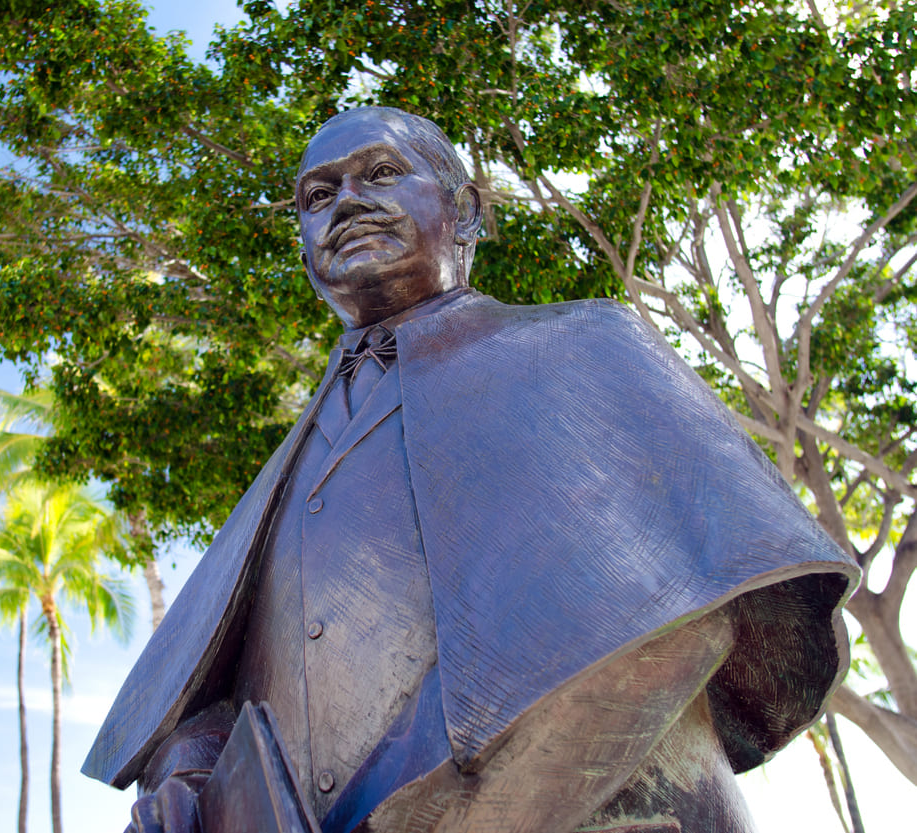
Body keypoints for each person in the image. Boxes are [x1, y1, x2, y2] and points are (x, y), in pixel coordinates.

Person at [82, 107, 859, 833]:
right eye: (319, 194)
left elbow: (679, 622)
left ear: (467, 210)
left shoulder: (586, 347)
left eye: (381, 173)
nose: (346, 202)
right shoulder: (276, 481)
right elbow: (233, 684)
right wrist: (187, 764)